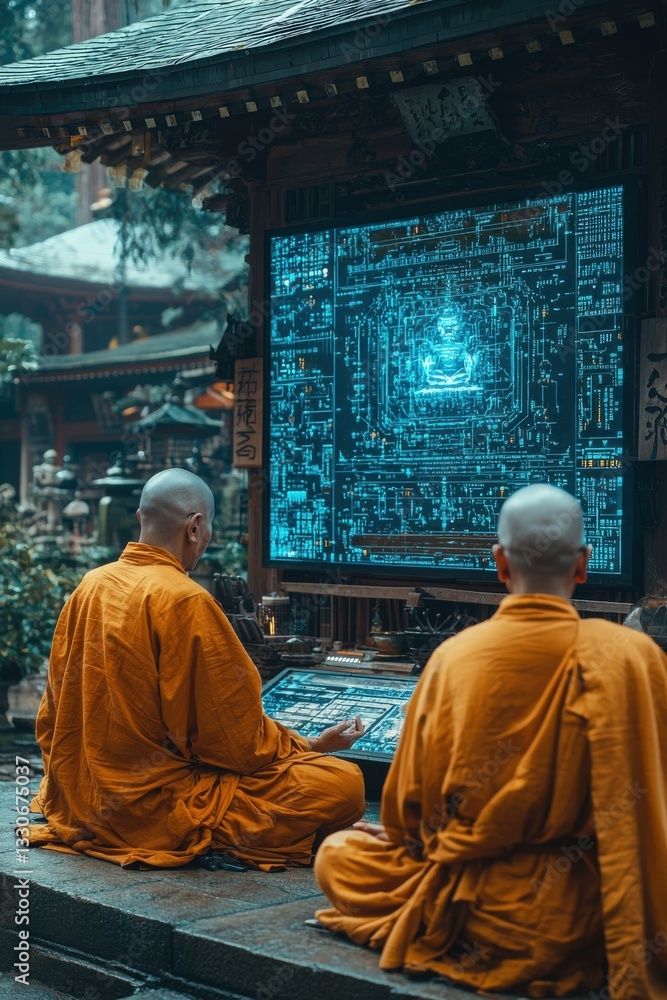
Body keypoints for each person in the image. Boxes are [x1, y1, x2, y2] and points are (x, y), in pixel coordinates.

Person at [314, 484, 667, 999]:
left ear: (500, 564)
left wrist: (411, 837)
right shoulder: (632, 658)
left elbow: (407, 818)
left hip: (474, 906)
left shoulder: (455, 659)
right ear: (583, 565)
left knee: (339, 852)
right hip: (595, 907)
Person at [31, 468, 365, 870]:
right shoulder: (184, 599)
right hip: (150, 805)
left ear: (141, 519)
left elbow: (53, 711)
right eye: (206, 534)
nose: (204, 543)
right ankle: (201, 834)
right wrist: (309, 746)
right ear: (194, 527)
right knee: (343, 784)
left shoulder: (91, 584)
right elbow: (233, 742)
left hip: (80, 795)